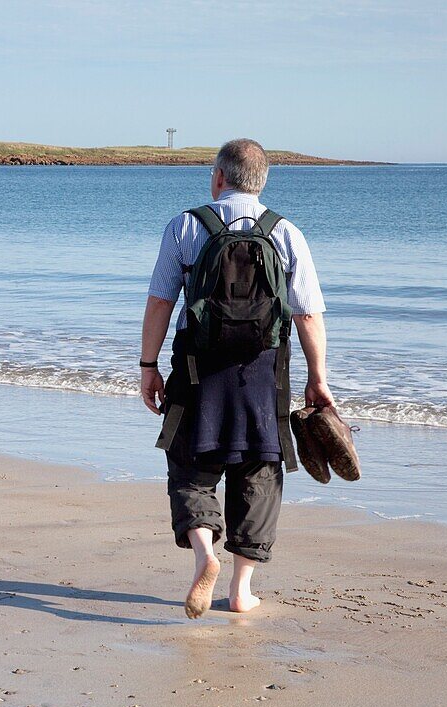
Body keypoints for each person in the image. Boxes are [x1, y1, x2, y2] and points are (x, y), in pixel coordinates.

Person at [140, 138, 333, 618]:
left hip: (196, 370)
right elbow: (307, 315)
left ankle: (205, 554)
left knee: (191, 465)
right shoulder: (285, 232)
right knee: (259, 469)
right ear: (262, 182)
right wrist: (318, 379)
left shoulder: (186, 225)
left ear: (219, 177)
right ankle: (241, 590)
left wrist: (147, 366)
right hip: (264, 372)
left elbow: (162, 301)